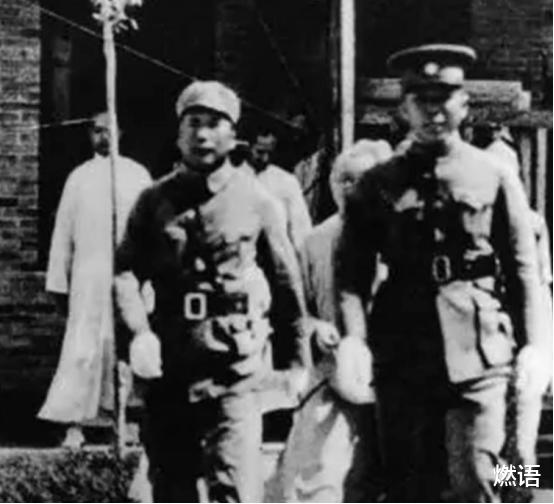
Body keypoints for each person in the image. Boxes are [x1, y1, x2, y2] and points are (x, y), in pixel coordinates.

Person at [336, 44, 547, 502]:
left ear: (464, 103)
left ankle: (527, 489)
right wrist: (354, 339)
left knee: (483, 474)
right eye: (422, 100)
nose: (434, 111)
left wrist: (537, 346)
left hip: (481, 354)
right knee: (411, 485)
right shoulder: (378, 184)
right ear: (403, 109)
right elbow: (351, 276)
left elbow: (525, 271)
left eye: (445, 98)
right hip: (402, 354)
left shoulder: (494, 175)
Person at [114, 80, 310, 503]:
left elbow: (286, 284)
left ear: (233, 134)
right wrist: (139, 333)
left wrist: (297, 361)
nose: (202, 135)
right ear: (179, 132)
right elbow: (125, 272)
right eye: (193, 123)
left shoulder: (257, 201)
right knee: (172, 486)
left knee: (233, 484)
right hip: (169, 362)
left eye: (214, 124)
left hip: (233, 364)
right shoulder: (153, 201)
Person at [266, 140, 391, 503]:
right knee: (313, 474)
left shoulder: (404, 235)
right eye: (343, 180)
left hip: (398, 374)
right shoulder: (315, 241)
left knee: (462, 467)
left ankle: (524, 485)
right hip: (333, 373)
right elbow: (294, 313)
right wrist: (315, 328)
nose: (350, 189)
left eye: (361, 180)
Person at [37, 111, 152, 448]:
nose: (104, 137)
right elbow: (63, 233)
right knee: (84, 347)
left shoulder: (137, 175)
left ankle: (125, 419)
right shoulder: (79, 178)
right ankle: (76, 422)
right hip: (88, 277)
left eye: (110, 130)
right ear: (90, 135)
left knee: (125, 345)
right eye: (98, 131)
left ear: (121, 133)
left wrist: (149, 278)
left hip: (126, 275)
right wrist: (59, 280)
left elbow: (151, 232)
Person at [485, 125, 553, 467]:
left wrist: (543, 347)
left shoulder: (533, 225)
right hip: (489, 343)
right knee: (492, 437)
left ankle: (519, 487)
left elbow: (541, 288)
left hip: (524, 341)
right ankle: (503, 486)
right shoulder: (472, 226)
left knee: (521, 438)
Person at [241, 130, 312, 254]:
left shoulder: (286, 181)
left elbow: (301, 227)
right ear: (248, 147)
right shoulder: (233, 177)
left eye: (270, 153)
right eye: (260, 152)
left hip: (277, 254)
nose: (265, 158)